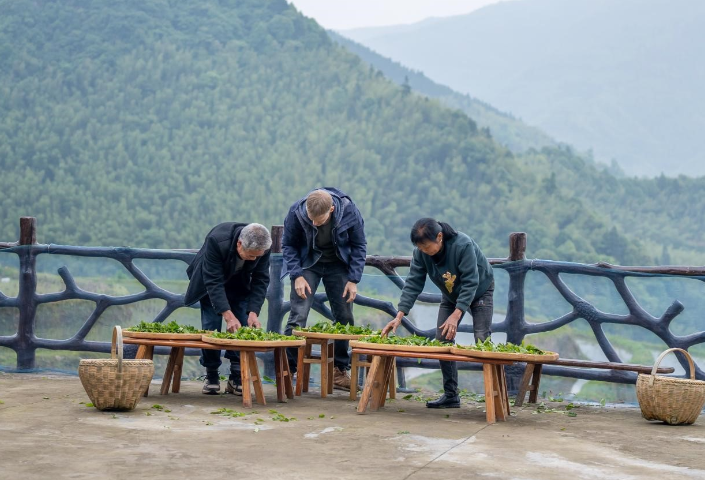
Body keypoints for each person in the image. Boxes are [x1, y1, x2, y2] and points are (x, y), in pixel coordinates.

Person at [382, 218, 494, 408]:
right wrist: (399, 315)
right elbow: (413, 282)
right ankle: (451, 395)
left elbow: (470, 281)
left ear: (440, 237)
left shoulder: (462, 244)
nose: (424, 251)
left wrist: (457, 313)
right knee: (442, 340)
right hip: (451, 295)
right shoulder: (420, 253)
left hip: (479, 290)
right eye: (421, 248)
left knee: (482, 340)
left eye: (427, 247)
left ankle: (494, 398)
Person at [282, 188, 367, 390]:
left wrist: (353, 279)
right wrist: (297, 275)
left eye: (318, 221)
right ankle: (287, 370)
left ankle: (339, 371)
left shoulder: (348, 211)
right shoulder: (297, 211)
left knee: (345, 317)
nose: (313, 224)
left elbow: (359, 244)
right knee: (298, 316)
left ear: (332, 209)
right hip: (307, 264)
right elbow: (288, 245)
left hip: (338, 264)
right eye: (310, 219)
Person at [184, 222, 271, 395]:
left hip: (240, 284)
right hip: (210, 284)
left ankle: (236, 376)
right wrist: (227, 314)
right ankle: (211, 375)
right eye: (250, 256)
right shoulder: (217, 240)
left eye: (257, 256)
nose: (254, 259)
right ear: (239, 244)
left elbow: (261, 279)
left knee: (242, 328)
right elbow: (213, 281)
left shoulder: (263, 247)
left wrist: (253, 311)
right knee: (211, 327)